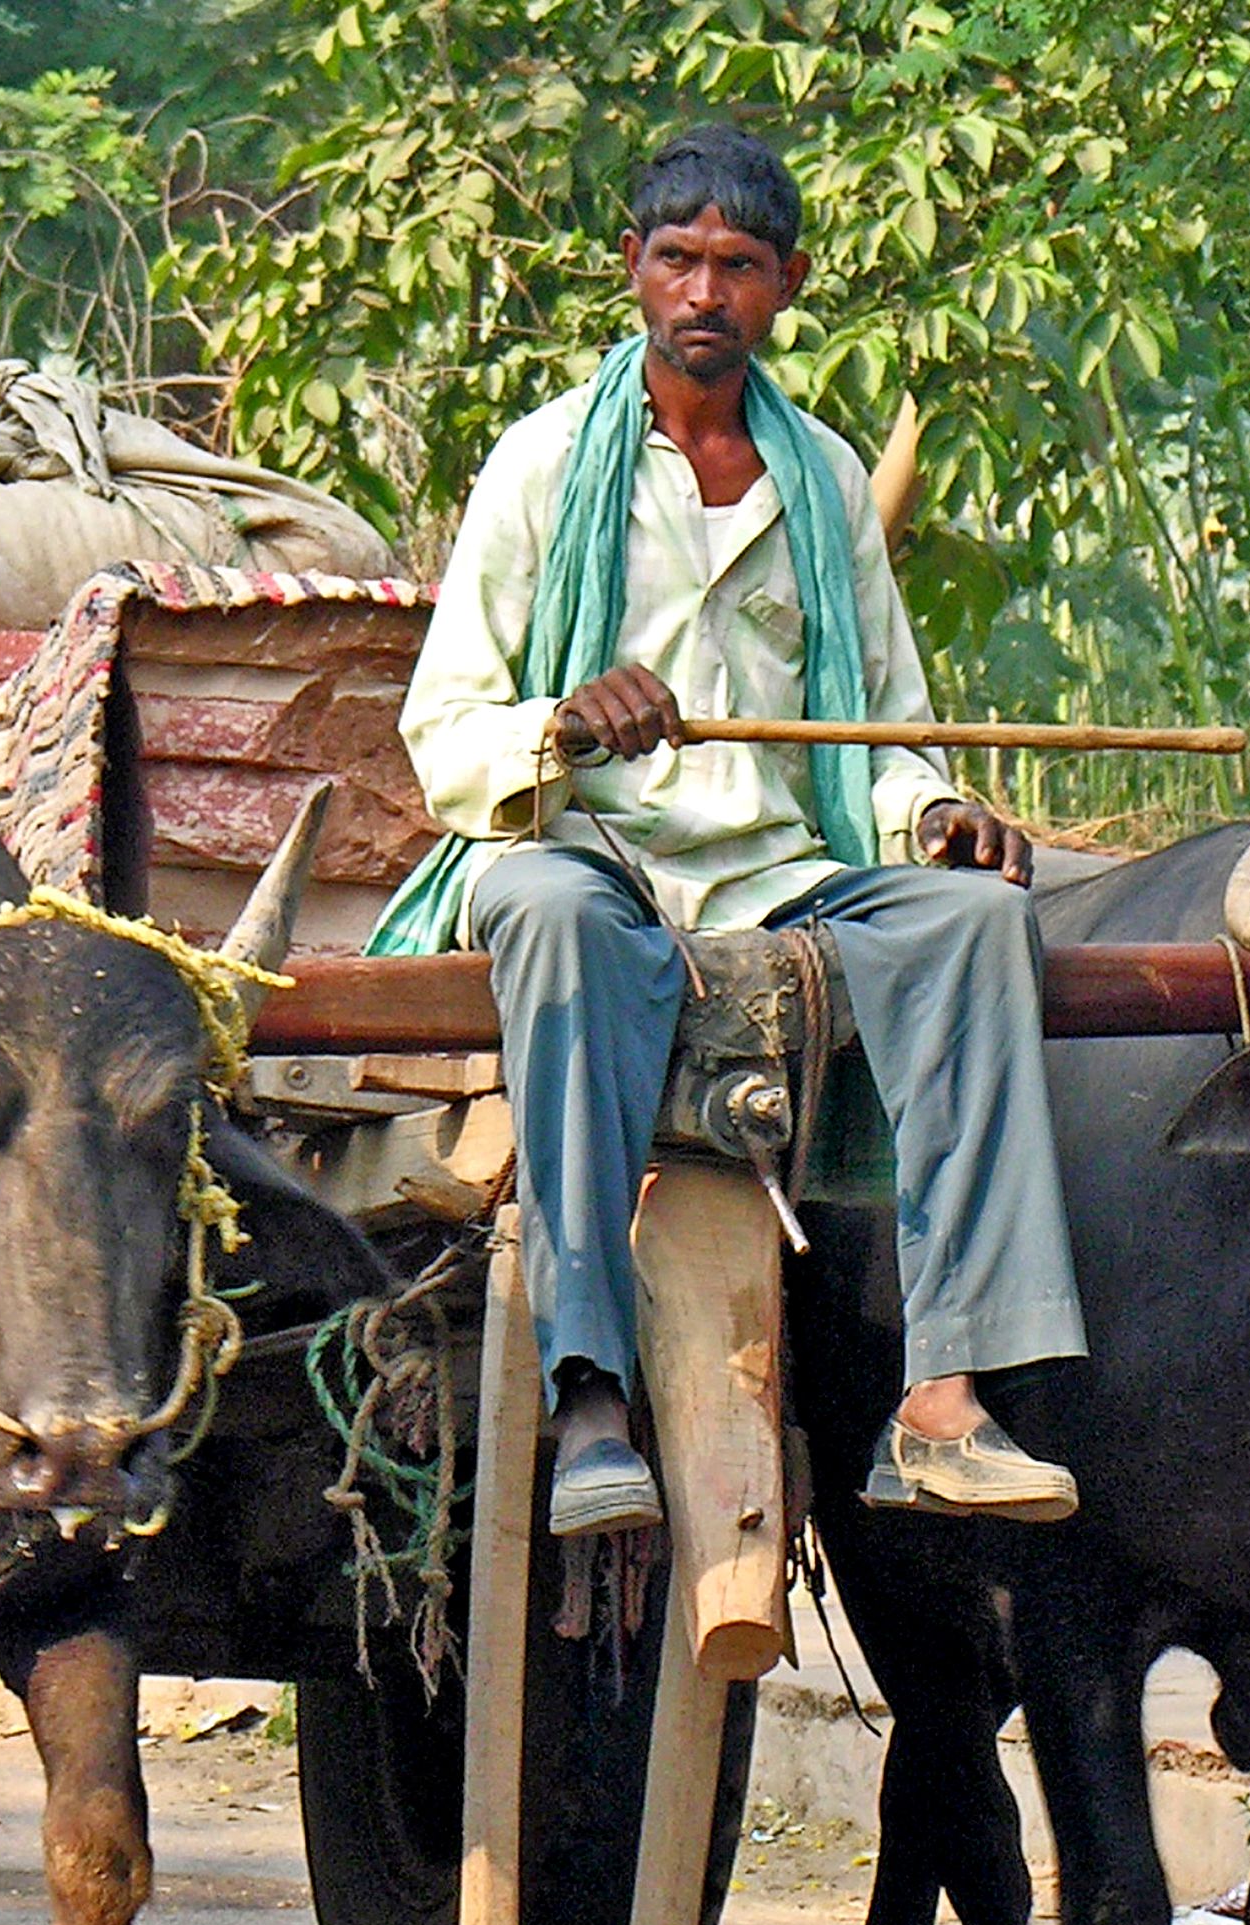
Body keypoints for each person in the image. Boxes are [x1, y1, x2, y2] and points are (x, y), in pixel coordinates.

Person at [383, 123, 1086, 1538]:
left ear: (788, 285)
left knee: (979, 921)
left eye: (740, 268)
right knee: (552, 920)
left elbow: (886, 728)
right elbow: (444, 730)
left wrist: (939, 809)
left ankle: (943, 1398)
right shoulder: (540, 470)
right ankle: (590, 1392)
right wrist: (567, 726)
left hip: (781, 872)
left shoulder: (820, 482)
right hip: (593, 852)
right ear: (631, 272)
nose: (706, 292)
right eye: (679, 260)